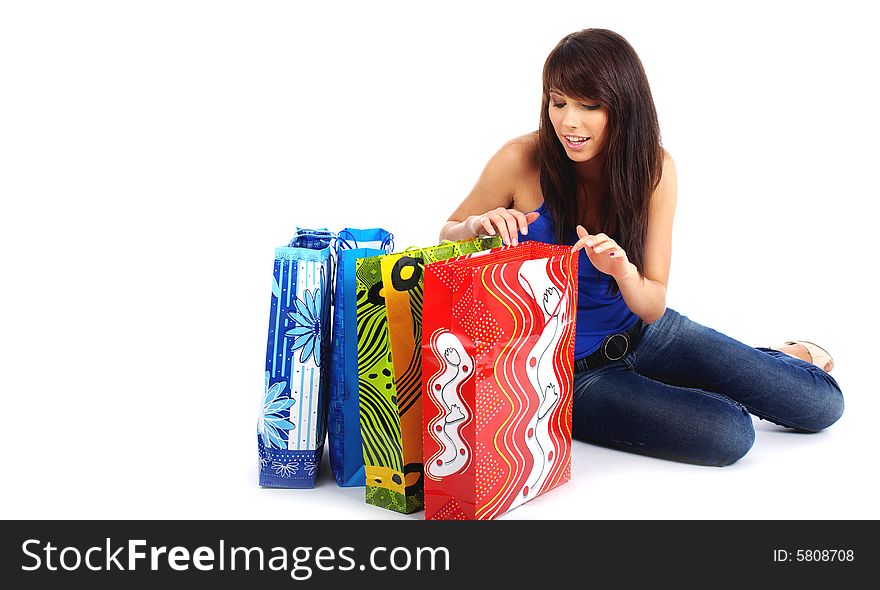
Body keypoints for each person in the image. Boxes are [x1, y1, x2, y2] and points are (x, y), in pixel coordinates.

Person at [438, 28, 843, 466]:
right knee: (729, 435)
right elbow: (447, 232)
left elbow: (652, 304)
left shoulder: (654, 169)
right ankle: (711, 379)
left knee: (821, 405)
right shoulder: (521, 159)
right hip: (568, 375)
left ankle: (770, 360)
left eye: (589, 106)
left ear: (623, 105)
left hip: (649, 332)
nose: (569, 122)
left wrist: (623, 272)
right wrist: (477, 226)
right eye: (559, 103)